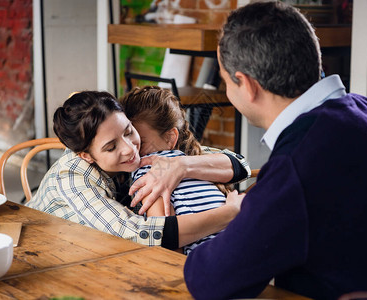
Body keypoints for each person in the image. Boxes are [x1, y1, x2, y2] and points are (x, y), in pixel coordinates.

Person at [184, 2, 367, 300]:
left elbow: (209, 279)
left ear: (247, 85)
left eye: (226, 80)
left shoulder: (297, 166)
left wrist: (241, 214)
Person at [27, 90, 249, 251]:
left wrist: (181, 165)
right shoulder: (73, 175)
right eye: (111, 147)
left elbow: (240, 164)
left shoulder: (148, 153)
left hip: (100, 249)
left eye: (129, 131)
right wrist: (228, 215)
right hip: (46, 248)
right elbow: (137, 234)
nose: (130, 149)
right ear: (86, 155)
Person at [120, 86, 248, 254]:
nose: (130, 149)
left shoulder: (147, 171)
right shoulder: (197, 162)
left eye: (140, 142)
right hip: (246, 246)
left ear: (170, 138)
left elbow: (168, 245)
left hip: (212, 261)